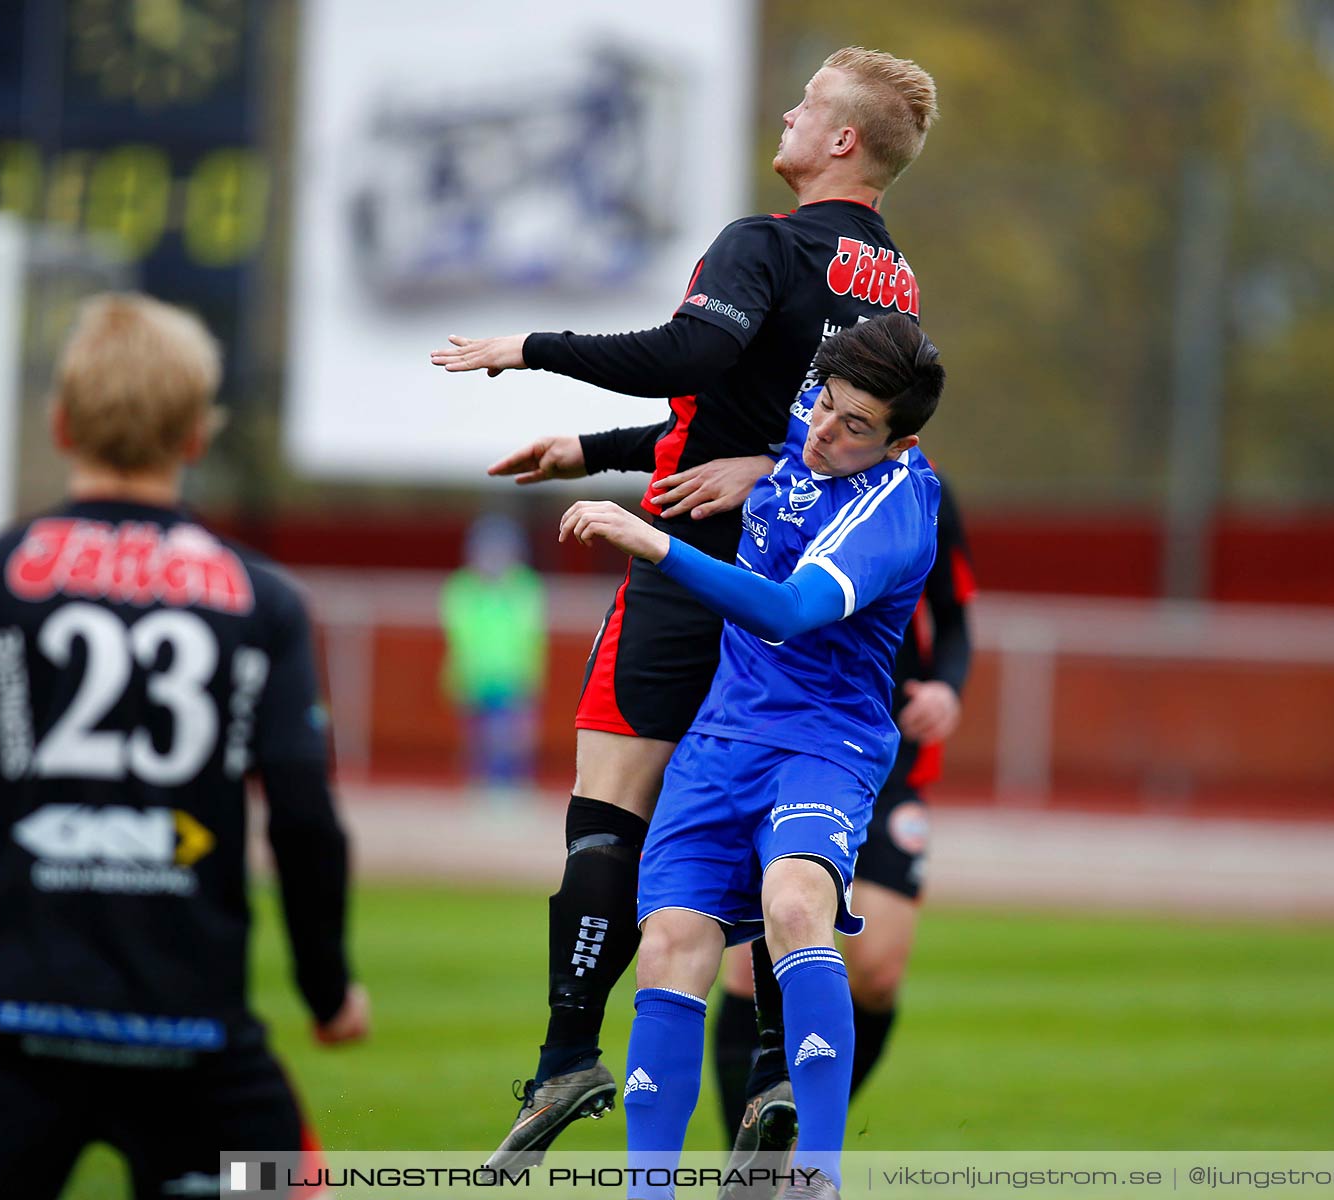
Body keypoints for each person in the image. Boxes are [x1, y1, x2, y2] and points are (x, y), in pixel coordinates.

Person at [429, 47, 939, 1159]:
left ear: (842, 141)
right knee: (765, 848)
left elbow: (695, 353)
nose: (791, 114)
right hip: (784, 593)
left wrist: (530, 347)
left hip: (688, 558)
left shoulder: (764, 240)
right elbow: (782, 425)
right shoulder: (898, 288)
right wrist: (594, 449)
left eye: (807, 104)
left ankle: (568, 1054)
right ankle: (770, 1078)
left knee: (609, 804)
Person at [0, 294, 368, 1200]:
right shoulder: (263, 601)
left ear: (60, 421)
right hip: (190, 1028)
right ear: (197, 434)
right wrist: (327, 989)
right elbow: (304, 818)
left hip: (2, 1020)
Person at [560, 314, 943, 1200]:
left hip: (822, 743)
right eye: (824, 405)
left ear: (901, 441)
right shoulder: (809, 422)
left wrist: (654, 540)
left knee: (795, 899)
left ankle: (818, 1174)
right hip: (721, 739)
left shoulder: (898, 507)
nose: (823, 431)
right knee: (670, 945)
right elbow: (689, 421)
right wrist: (580, 448)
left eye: (854, 427)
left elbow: (785, 610)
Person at [711, 476, 973, 1137]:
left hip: (881, 757)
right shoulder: (773, 480)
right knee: (749, 967)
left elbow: (955, 618)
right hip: (778, 746)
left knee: (879, 972)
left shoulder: (920, 498)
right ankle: (749, 1168)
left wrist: (946, 687)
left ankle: (802, 1122)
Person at [440, 514, 548, 798]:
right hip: (474, 676)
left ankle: (508, 786)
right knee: (479, 736)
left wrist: (529, 676)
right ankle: (481, 785)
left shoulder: (524, 586)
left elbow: (531, 633)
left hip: (514, 676)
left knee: (511, 736)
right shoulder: (463, 586)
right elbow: (458, 633)